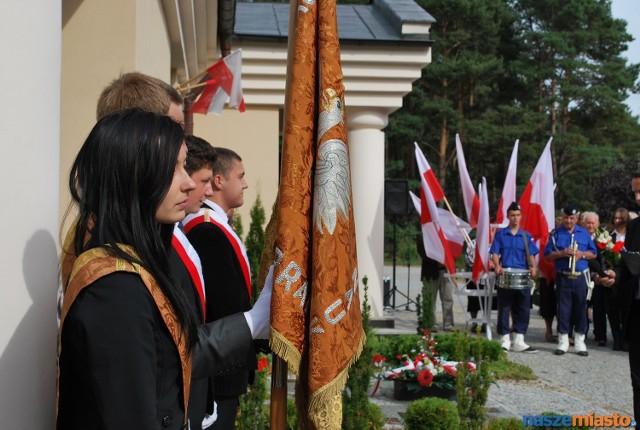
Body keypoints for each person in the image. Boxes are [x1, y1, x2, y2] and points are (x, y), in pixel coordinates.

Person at [57, 109, 271, 429]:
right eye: (174, 168)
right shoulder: (114, 287)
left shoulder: (137, 263)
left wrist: (255, 321)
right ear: (135, 175)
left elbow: (175, 354)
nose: (188, 183)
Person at [183, 147, 252, 429]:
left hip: (225, 361)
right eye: (241, 176)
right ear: (220, 181)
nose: (246, 183)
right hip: (220, 367)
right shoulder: (206, 229)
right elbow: (222, 305)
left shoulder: (216, 225)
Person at [544, 203, 596, 356]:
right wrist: (561, 253)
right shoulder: (555, 234)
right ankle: (563, 340)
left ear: (577, 218)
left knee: (581, 308)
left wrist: (582, 254)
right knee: (564, 309)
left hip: (580, 277)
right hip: (563, 276)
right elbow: (547, 255)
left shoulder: (584, 233)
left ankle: (580, 341)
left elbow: (593, 253)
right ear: (562, 217)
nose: (568, 221)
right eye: (566, 218)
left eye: (572, 218)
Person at [490, 202, 539, 353]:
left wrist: (533, 267)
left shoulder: (526, 235)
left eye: (517, 215)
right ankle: (505, 339)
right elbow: (495, 253)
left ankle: (519, 339)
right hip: (506, 274)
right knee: (504, 307)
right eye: (512, 215)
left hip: (522, 275)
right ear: (508, 216)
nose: (515, 218)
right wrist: (497, 265)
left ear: (521, 216)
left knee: (523, 307)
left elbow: (530, 254)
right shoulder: (501, 234)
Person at [620, 172, 640, 421]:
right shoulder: (634, 226)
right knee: (637, 378)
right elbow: (629, 266)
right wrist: (615, 274)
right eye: (634, 192)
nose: (637, 197)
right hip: (636, 310)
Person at [416, 234, 454, 332]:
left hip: (446, 270)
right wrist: (438, 261)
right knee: (431, 299)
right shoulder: (424, 234)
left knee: (448, 298)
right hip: (431, 271)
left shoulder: (446, 232)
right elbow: (423, 253)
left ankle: (448, 324)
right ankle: (431, 323)